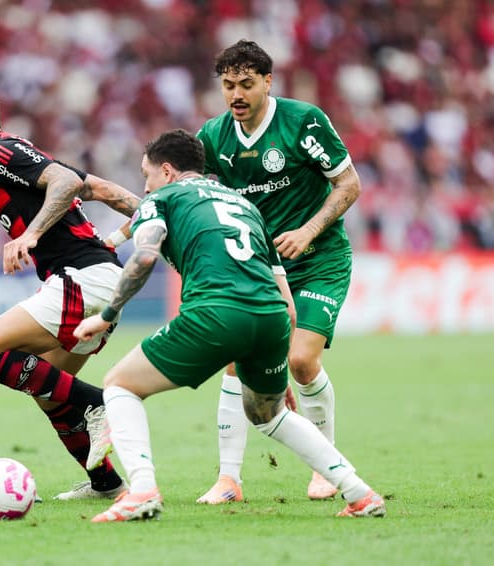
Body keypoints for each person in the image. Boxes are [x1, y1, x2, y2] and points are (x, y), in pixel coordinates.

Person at [74, 129, 385, 522]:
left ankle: (141, 490)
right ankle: (360, 493)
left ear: (167, 171)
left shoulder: (162, 199)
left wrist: (107, 314)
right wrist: (273, 362)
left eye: (147, 174)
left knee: (119, 383)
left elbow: (145, 256)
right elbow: (285, 296)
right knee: (269, 414)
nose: (146, 184)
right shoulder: (243, 204)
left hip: (216, 311)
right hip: (271, 318)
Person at [0, 78, 140, 500]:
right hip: (100, 285)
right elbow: (97, 188)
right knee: (50, 392)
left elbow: (65, 182)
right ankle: (108, 484)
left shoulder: (1, 151)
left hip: (82, 279)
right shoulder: (12, 159)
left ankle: (98, 402)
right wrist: (153, 214)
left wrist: (29, 235)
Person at [195, 39, 363, 503]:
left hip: (320, 259)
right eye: (228, 85)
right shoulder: (214, 136)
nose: (236, 95)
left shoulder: (303, 120)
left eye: (246, 84)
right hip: (261, 270)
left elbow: (349, 183)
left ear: (268, 82)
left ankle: (326, 467)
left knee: (302, 361)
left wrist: (308, 230)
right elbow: (186, 187)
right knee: (234, 359)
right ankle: (229, 479)